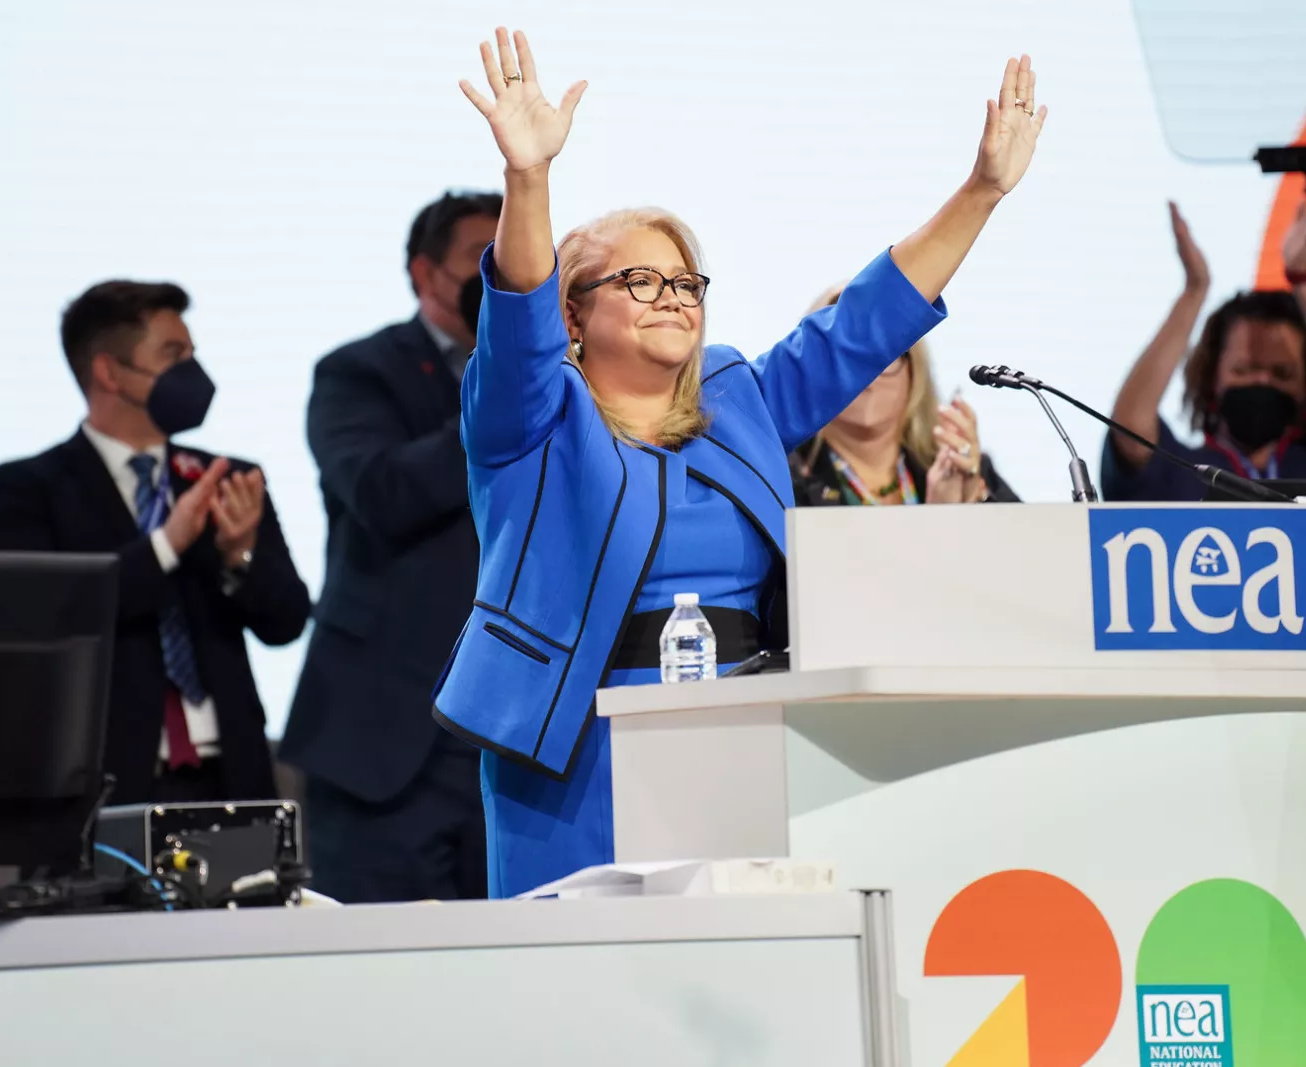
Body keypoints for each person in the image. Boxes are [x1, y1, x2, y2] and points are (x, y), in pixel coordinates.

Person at [433, 28, 1047, 897]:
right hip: (577, 748)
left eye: (685, 283)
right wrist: (527, 176)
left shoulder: (735, 398)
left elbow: (864, 324)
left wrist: (982, 192)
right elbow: (517, 318)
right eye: (639, 281)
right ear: (574, 316)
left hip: (747, 733)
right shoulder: (532, 420)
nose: (672, 298)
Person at [0, 281, 310, 804]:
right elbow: (35, 620)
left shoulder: (225, 478)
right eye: (172, 355)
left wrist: (237, 555)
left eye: (193, 354)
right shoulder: (25, 490)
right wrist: (166, 545)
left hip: (232, 778)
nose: (192, 372)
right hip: (101, 785)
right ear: (109, 372)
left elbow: (286, 622)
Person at [279, 193, 498, 903]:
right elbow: (379, 492)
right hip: (389, 745)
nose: (504, 271)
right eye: (480, 257)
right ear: (425, 274)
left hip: (514, 740)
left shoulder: (567, 375)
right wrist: (499, 398)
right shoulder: (358, 372)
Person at [1101, 192, 1306, 500]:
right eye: (1244, 369)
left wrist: (1305, 282)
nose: (1262, 381)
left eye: (1282, 373)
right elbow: (1130, 425)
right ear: (1211, 377)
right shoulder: (1181, 468)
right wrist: (1194, 292)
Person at [789, 285, 1018, 506]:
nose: (867, 370)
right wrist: (942, 521)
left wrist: (978, 503)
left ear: (913, 369)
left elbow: (1028, 543)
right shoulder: (783, 479)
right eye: (846, 353)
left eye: (884, 349)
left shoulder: (964, 468)